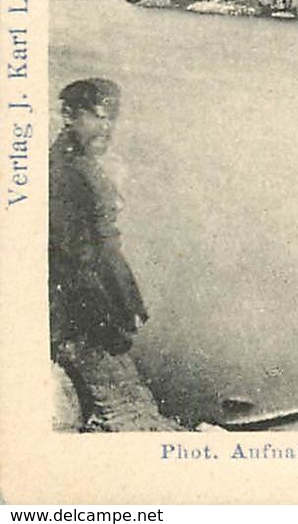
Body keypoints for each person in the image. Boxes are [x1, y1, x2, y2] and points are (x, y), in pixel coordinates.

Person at [49, 78, 176, 430]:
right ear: (69, 116)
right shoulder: (64, 175)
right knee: (127, 410)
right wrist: (109, 320)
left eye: (111, 119)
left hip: (96, 308)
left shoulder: (82, 164)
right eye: (98, 117)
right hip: (83, 318)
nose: (106, 128)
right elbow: (76, 263)